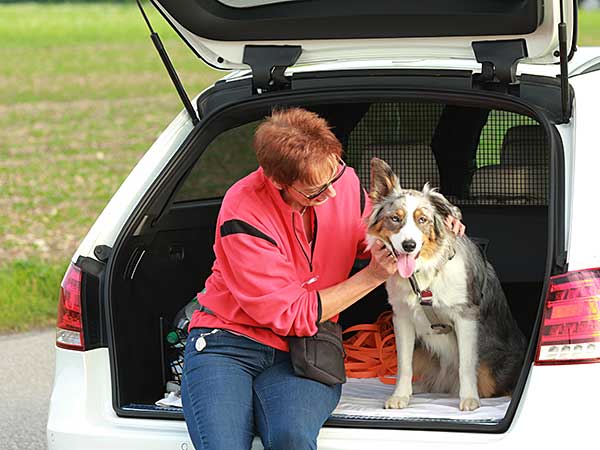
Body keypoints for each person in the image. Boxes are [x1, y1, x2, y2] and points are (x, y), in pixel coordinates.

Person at [181, 107, 464, 450]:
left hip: (307, 348)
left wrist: (435, 227)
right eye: (316, 190)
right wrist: (373, 276)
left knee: (292, 438)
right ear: (278, 182)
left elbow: (368, 236)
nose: (332, 194)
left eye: (335, 176)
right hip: (228, 343)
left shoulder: (340, 182)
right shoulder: (243, 211)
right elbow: (291, 313)